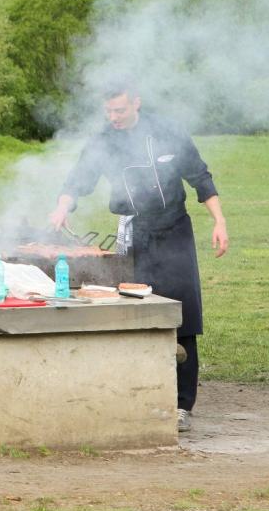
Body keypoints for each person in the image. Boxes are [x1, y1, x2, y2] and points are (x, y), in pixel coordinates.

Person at [48, 86, 229, 433]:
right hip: (131, 229)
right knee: (132, 305)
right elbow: (78, 180)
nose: (113, 118)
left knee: (182, 313)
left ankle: (181, 404)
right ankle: (139, 390)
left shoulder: (168, 132)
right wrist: (61, 207)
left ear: (136, 103)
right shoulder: (104, 140)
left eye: (120, 111)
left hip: (174, 228)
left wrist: (219, 222)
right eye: (109, 112)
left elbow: (200, 178)